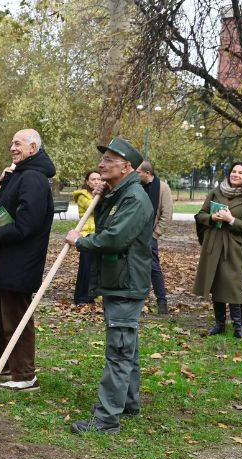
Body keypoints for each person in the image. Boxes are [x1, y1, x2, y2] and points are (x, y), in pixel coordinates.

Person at [65, 137, 152, 434]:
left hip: (127, 283)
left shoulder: (135, 199)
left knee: (119, 350)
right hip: (119, 280)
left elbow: (113, 238)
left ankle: (106, 419)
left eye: (109, 161)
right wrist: (103, 195)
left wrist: (81, 242)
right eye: (103, 160)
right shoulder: (121, 193)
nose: (101, 164)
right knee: (128, 345)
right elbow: (107, 223)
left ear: (126, 166)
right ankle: (128, 403)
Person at [0, 129, 54, 392]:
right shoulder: (18, 175)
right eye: (11, 143)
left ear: (33, 148)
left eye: (17, 144)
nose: (12, 148)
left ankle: (24, 374)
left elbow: (26, 224)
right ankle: (3, 365)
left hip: (20, 260)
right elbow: (3, 210)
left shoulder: (34, 179)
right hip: (3, 257)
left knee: (16, 317)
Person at [194, 161, 242, 342]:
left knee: (233, 285)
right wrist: (212, 218)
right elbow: (200, 215)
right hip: (214, 244)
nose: (235, 175)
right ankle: (220, 325)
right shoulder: (216, 191)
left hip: (233, 248)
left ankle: (239, 329)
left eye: (240, 173)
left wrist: (231, 220)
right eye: (234, 172)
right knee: (216, 283)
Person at [135, 161, 173, 314]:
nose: (135, 174)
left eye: (138, 172)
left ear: (147, 173)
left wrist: (155, 235)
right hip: (134, 233)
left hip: (150, 235)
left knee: (154, 268)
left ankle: (162, 302)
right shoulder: (136, 187)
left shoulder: (162, 188)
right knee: (135, 267)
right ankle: (137, 302)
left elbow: (167, 213)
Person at [72, 170, 101, 306]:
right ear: (87, 182)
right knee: (85, 267)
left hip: (97, 235)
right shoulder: (83, 195)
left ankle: (91, 296)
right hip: (86, 235)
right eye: (93, 179)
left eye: (98, 179)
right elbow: (94, 207)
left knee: (95, 267)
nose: (96, 181)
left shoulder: (99, 194)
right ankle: (81, 298)